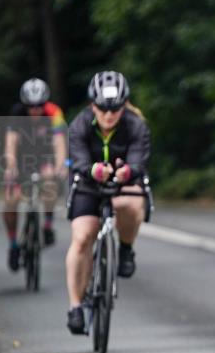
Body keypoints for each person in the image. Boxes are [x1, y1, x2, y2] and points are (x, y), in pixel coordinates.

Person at [64, 71, 151, 335]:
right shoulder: (80, 124)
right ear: (93, 105)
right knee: (82, 237)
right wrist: (93, 170)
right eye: (103, 108)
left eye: (115, 109)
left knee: (132, 203)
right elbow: (77, 159)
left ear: (124, 105)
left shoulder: (136, 125)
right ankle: (75, 306)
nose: (109, 115)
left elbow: (139, 159)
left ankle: (125, 248)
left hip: (123, 180)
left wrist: (128, 172)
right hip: (88, 182)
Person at [3, 78, 67, 270]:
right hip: (22, 159)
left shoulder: (54, 112)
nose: (35, 110)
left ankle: (47, 225)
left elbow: (59, 142)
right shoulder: (17, 113)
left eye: (39, 106)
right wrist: (10, 167)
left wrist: (61, 166)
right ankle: (13, 244)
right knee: (11, 200)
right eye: (31, 106)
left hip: (44, 157)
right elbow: (11, 143)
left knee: (50, 181)